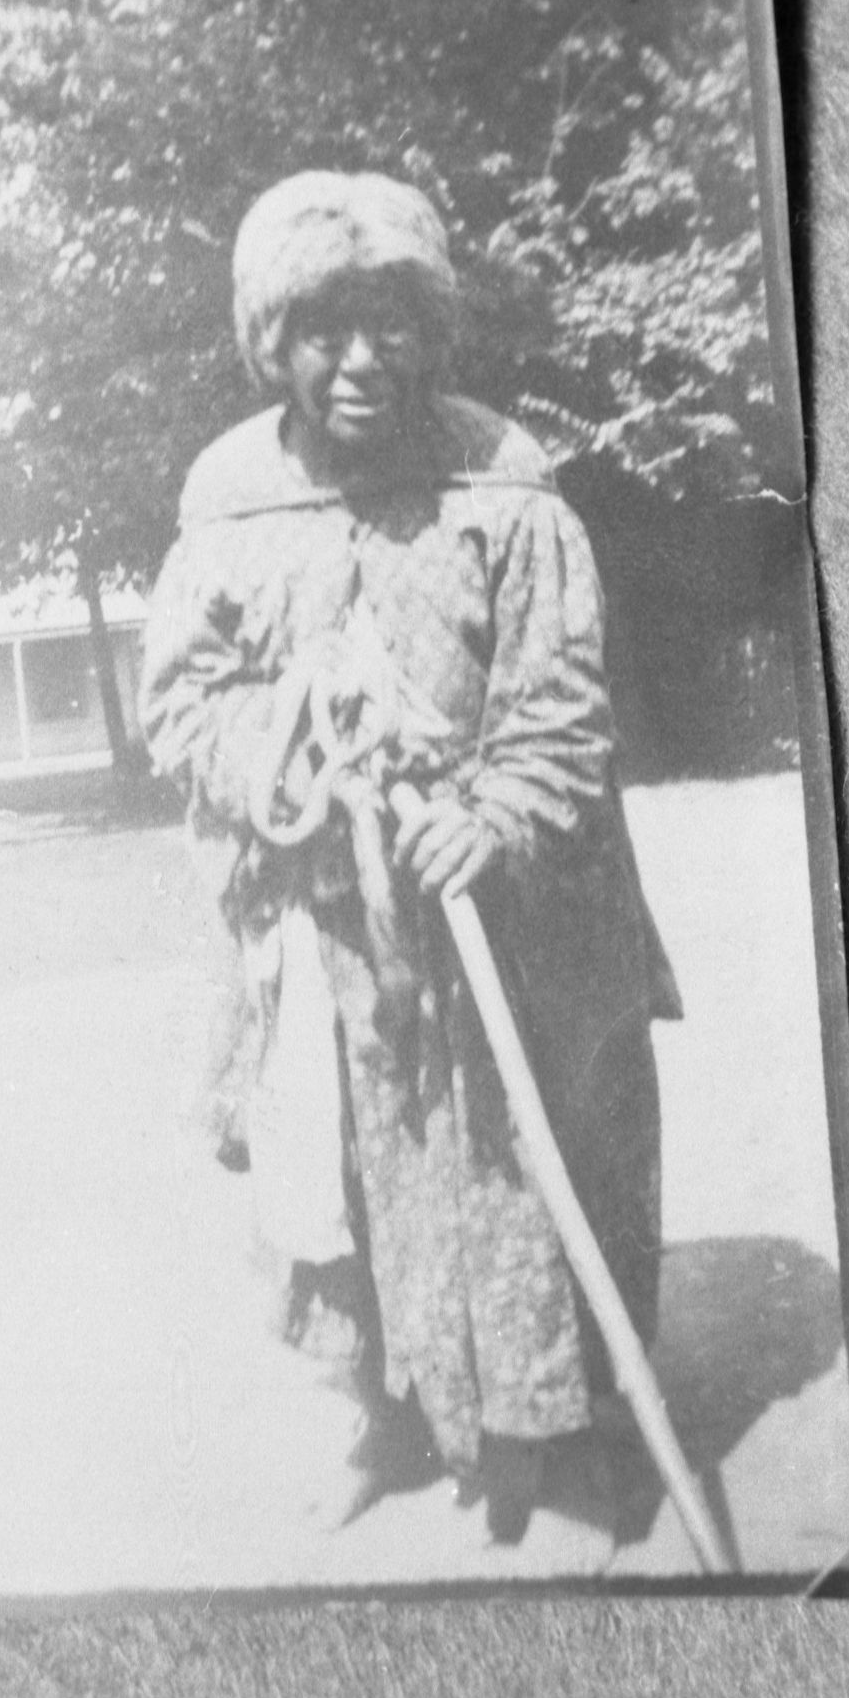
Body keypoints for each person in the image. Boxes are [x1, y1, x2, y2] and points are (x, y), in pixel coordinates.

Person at [139, 171, 682, 1542]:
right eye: (324, 330)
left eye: (387, 325)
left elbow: (559, 697)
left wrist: (490, 810)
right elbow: (181, 701)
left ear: (428, 330)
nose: (359, 360)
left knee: (535, 1150)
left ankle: (564, 1440)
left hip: (512, 909)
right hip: (334, 917)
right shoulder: (230, 500)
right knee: (349, 1173)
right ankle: (390, 1422)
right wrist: (290, 754)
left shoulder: (501, 481)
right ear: (275, 340)